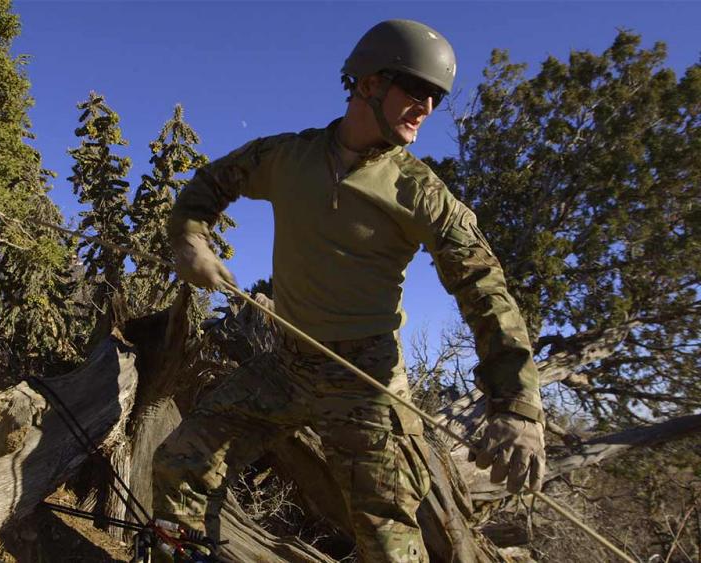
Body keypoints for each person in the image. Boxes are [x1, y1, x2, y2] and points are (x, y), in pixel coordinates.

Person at [152, 19, 546, 562]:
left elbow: (486, 291)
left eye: (435, 97)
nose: (427, 107)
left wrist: (517, 406)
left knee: (390, 542)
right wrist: (190, 238)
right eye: (416, 89)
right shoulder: (285, 157)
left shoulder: (423, 195)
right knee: (179, 466)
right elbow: (207, 186)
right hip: (285, 364)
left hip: (367, 380)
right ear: (368, 84)